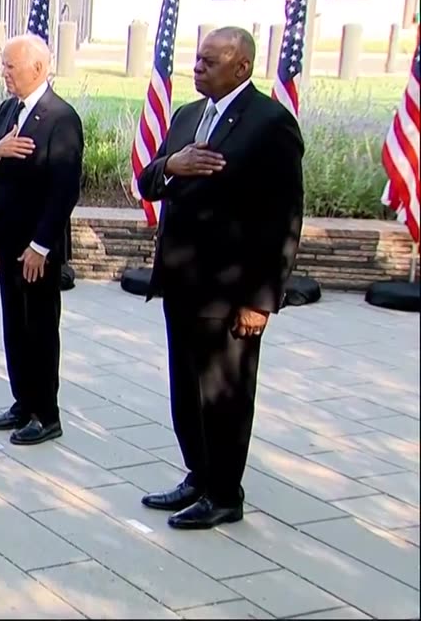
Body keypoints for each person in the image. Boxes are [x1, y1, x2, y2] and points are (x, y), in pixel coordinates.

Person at [136, 26, 304, 530]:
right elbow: (149, 179)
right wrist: (173, 163)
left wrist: (260, 299)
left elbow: (283, 220)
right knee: (185, 390)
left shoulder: (270, 123)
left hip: (229, 291)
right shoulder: (188, 116)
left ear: (241, 66)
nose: (196, 66)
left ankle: (225, 493)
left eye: (209, 60)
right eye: (197, 58)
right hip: (181, 280)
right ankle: (198, 475)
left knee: (223, 395)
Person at [0, 34, 83, 446]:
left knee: (39, 328)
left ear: (37, 69)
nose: (4, 74)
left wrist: (41, 245)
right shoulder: (7, 111)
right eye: (3, 66)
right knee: (14, 326)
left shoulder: (61, 117)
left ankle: (45, 413)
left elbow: (64, 189)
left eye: (9, 67)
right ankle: (22, 400)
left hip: (37, 247)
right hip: (7, 240)